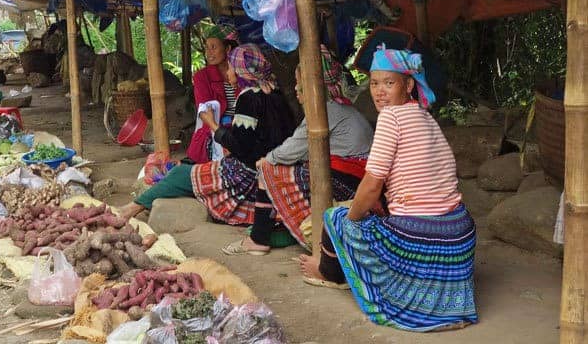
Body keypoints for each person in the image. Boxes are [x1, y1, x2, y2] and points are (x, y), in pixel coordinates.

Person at [298, 46, 477, 332]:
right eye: (374, 83)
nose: (379, 91)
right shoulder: (425, 117)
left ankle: (327, 273)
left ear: (408, 85)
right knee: (376, 214)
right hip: (459, 234)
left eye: (389, 83)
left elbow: (370, 188)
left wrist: (349, 224)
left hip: (422, 235)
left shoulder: (391, 118)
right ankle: (449, 309)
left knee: (336, 218)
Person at [120, 44, 295, 225]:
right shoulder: (274, 93)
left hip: (248, 176)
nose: (228, 71)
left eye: (230, 67)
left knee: (181, 174)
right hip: (271, 170)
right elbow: (260, 138)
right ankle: (133, 208)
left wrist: (212, 124)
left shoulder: (248, 98)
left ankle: (130, 209)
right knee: (190, 169)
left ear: (240, 70)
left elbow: (241, 147)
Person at [222, 45, 373, 255]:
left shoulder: (325, 111)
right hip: (357, 177)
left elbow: (292, 148)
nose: (295, 89)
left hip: (351, 180)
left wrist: (267, 160)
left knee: (268, 171)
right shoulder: (340, 107)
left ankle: (259, 239)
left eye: (299, 84)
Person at [185, 24, 240, 164]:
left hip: (241, 130)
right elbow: (205, 112)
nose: (208, 52)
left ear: (227, 48)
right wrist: (223, 135)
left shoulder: (242, 73)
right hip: (214, 132)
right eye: (207, 48)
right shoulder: (202, 77)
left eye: (213, 47)